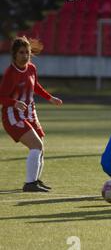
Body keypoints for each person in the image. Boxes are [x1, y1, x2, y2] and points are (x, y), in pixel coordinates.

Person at [0, 36, 63, 192]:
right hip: (12, 115)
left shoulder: (31, 68)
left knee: (40, 148)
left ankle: (35, 180)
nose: (25, 56)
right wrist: (14, 103)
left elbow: (36, 86)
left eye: (27, 52)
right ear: (14, 54)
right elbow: (1, 96)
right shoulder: (10, 73)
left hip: (30, 112)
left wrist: (50, 98)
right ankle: (29, 184)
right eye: (21, 53)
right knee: (36, 145)